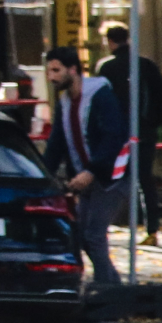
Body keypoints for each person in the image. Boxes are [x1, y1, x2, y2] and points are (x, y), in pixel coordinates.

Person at [41, 45, 125, 288]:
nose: (51, 77)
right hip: (87, 175)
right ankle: (112, 285)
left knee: (93, 235)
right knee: (83, 236)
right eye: (49, 71)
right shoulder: (65, 102)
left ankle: (105, 289)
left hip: (110, 176)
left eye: (56, 71)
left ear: (73, 69)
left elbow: (113, 136)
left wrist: (92, 171)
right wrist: (44, 174)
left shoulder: (99, 95)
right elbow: (56, 144)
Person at [99, 23, 162, 246]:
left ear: (109, 41)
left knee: (112, 178)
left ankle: (104, 225)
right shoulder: (145, 65)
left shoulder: (107, 67)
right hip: (144, 131)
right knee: (145, 179)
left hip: (117, 133)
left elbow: (101, 101)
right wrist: (152, 122)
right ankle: (152, 229)